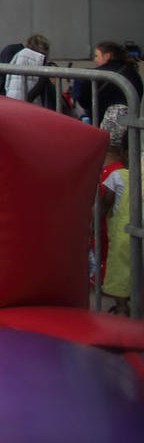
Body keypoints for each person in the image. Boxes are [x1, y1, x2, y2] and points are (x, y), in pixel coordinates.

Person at [96, 105, 132, 315]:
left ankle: (122, 306)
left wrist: (94, 221)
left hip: (118, 237)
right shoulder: (123, 174)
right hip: (126, 232)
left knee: (120, 271)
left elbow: (104, 203)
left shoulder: (116, 176)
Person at [3, 34, 52, 107]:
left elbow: (8, 79)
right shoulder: (40, 57)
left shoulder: (18, 54)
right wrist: (29, 99)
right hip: (28, 102)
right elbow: (41, 82)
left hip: (11, 98)